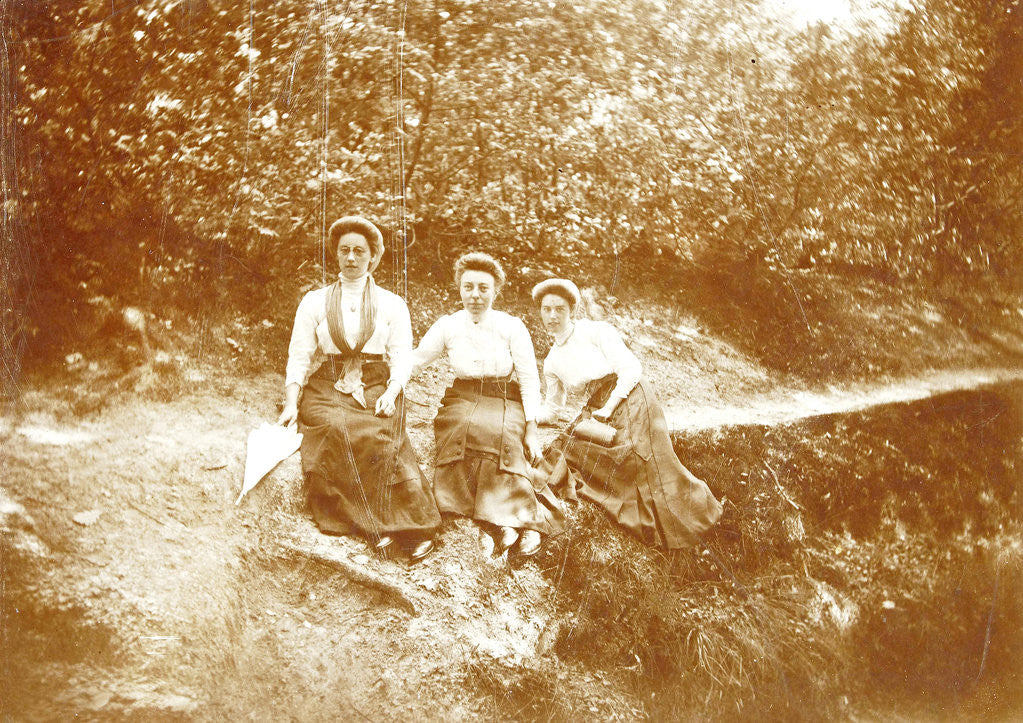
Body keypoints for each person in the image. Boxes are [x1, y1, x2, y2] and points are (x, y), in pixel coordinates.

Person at [278, 216, 440, 561]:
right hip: (328, 385)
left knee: (380, 435)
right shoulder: (314, 301)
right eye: (344, 250)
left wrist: (392, 392)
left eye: (359, 251)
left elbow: (401, 358)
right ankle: (371, 527)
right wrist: (291, 404)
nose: (351, 258)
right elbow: (299, 356)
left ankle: (414, 527)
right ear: (336, 255)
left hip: (377, 382)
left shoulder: (392, 303)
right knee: (336, 429)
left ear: (373, 257)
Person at [533, 278, 722, 549]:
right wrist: (530, 416)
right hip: (596, 406)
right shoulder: (552, 361)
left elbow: (631, 370)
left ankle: (693, 518)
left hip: (630, 394)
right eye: (546, 309)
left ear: (571, 310)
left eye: (559, 309)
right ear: (539, 311)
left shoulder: (596, 332)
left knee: (634, 455)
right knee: (566, 451)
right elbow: (553, 407)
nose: (552, 315)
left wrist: (609, 407)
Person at [412, 253, 564, 556]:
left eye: (483, 288)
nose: (475, 295)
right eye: (468, 287)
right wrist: (390, 384)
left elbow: (529, 378)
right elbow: (416, 360)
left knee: (503, 435)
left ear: (496, 291)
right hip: (463, 398)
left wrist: (532, 430)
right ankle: (489, 520)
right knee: (461, 431)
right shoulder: (448, 325)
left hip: (504, 398)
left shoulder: (511, 326)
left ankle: (521, 520)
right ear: (459, 288)